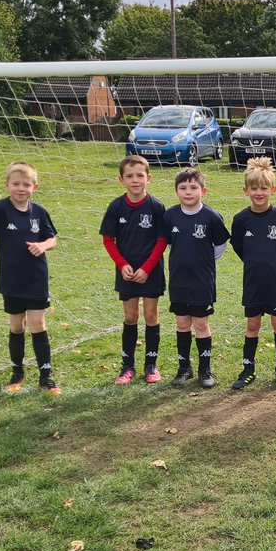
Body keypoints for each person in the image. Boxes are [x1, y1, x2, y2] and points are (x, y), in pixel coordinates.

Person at [0, 161, 60, 395]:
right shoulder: (0, 210)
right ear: (7, 185)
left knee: (38, 324)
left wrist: (43, 245)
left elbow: (53, 239)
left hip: (36, 278)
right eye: (16, 183)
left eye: (26, 184)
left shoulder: (39, 212)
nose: (21, 188)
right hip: (11, 280)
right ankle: (17, 373)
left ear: (35, 187)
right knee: (17, 325)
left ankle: (46, 377)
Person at [230, 157, 276, 390]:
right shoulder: (240, 220)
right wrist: (256, 263)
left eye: (263, 188)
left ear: (273, 190)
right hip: (253, 282)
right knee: (252, 325)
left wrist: (272, 263)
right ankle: (248, 369)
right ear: (245, 190)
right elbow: (239, 248)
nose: (259, 193)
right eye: (254, 188)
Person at [99, 156, 167, 385]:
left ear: (148, 178)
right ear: (121, 180)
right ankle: (127, 366)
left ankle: (151, 366)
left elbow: (161, 241)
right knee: (130, 316)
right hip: (127, 271)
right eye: (130, 176)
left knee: (150, 315)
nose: (135, 180)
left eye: (140, 175)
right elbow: (108, 239)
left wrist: (147, 268)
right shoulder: (116, 206)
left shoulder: (156, 207)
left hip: (150, 271)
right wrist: (122, 264)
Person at [163, 168, 230, 389]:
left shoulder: (211, 217)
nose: (188, 192)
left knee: (201, 323)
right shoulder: (170, 215)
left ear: (203, 190)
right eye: (183, 188)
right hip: (178, 280)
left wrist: (205, 262)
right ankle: (184, 368)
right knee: (182, 323)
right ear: (176, 191)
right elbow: (170, 244)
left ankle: (205, 369)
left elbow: (220, 245)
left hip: (202, 280)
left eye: (193, 187)